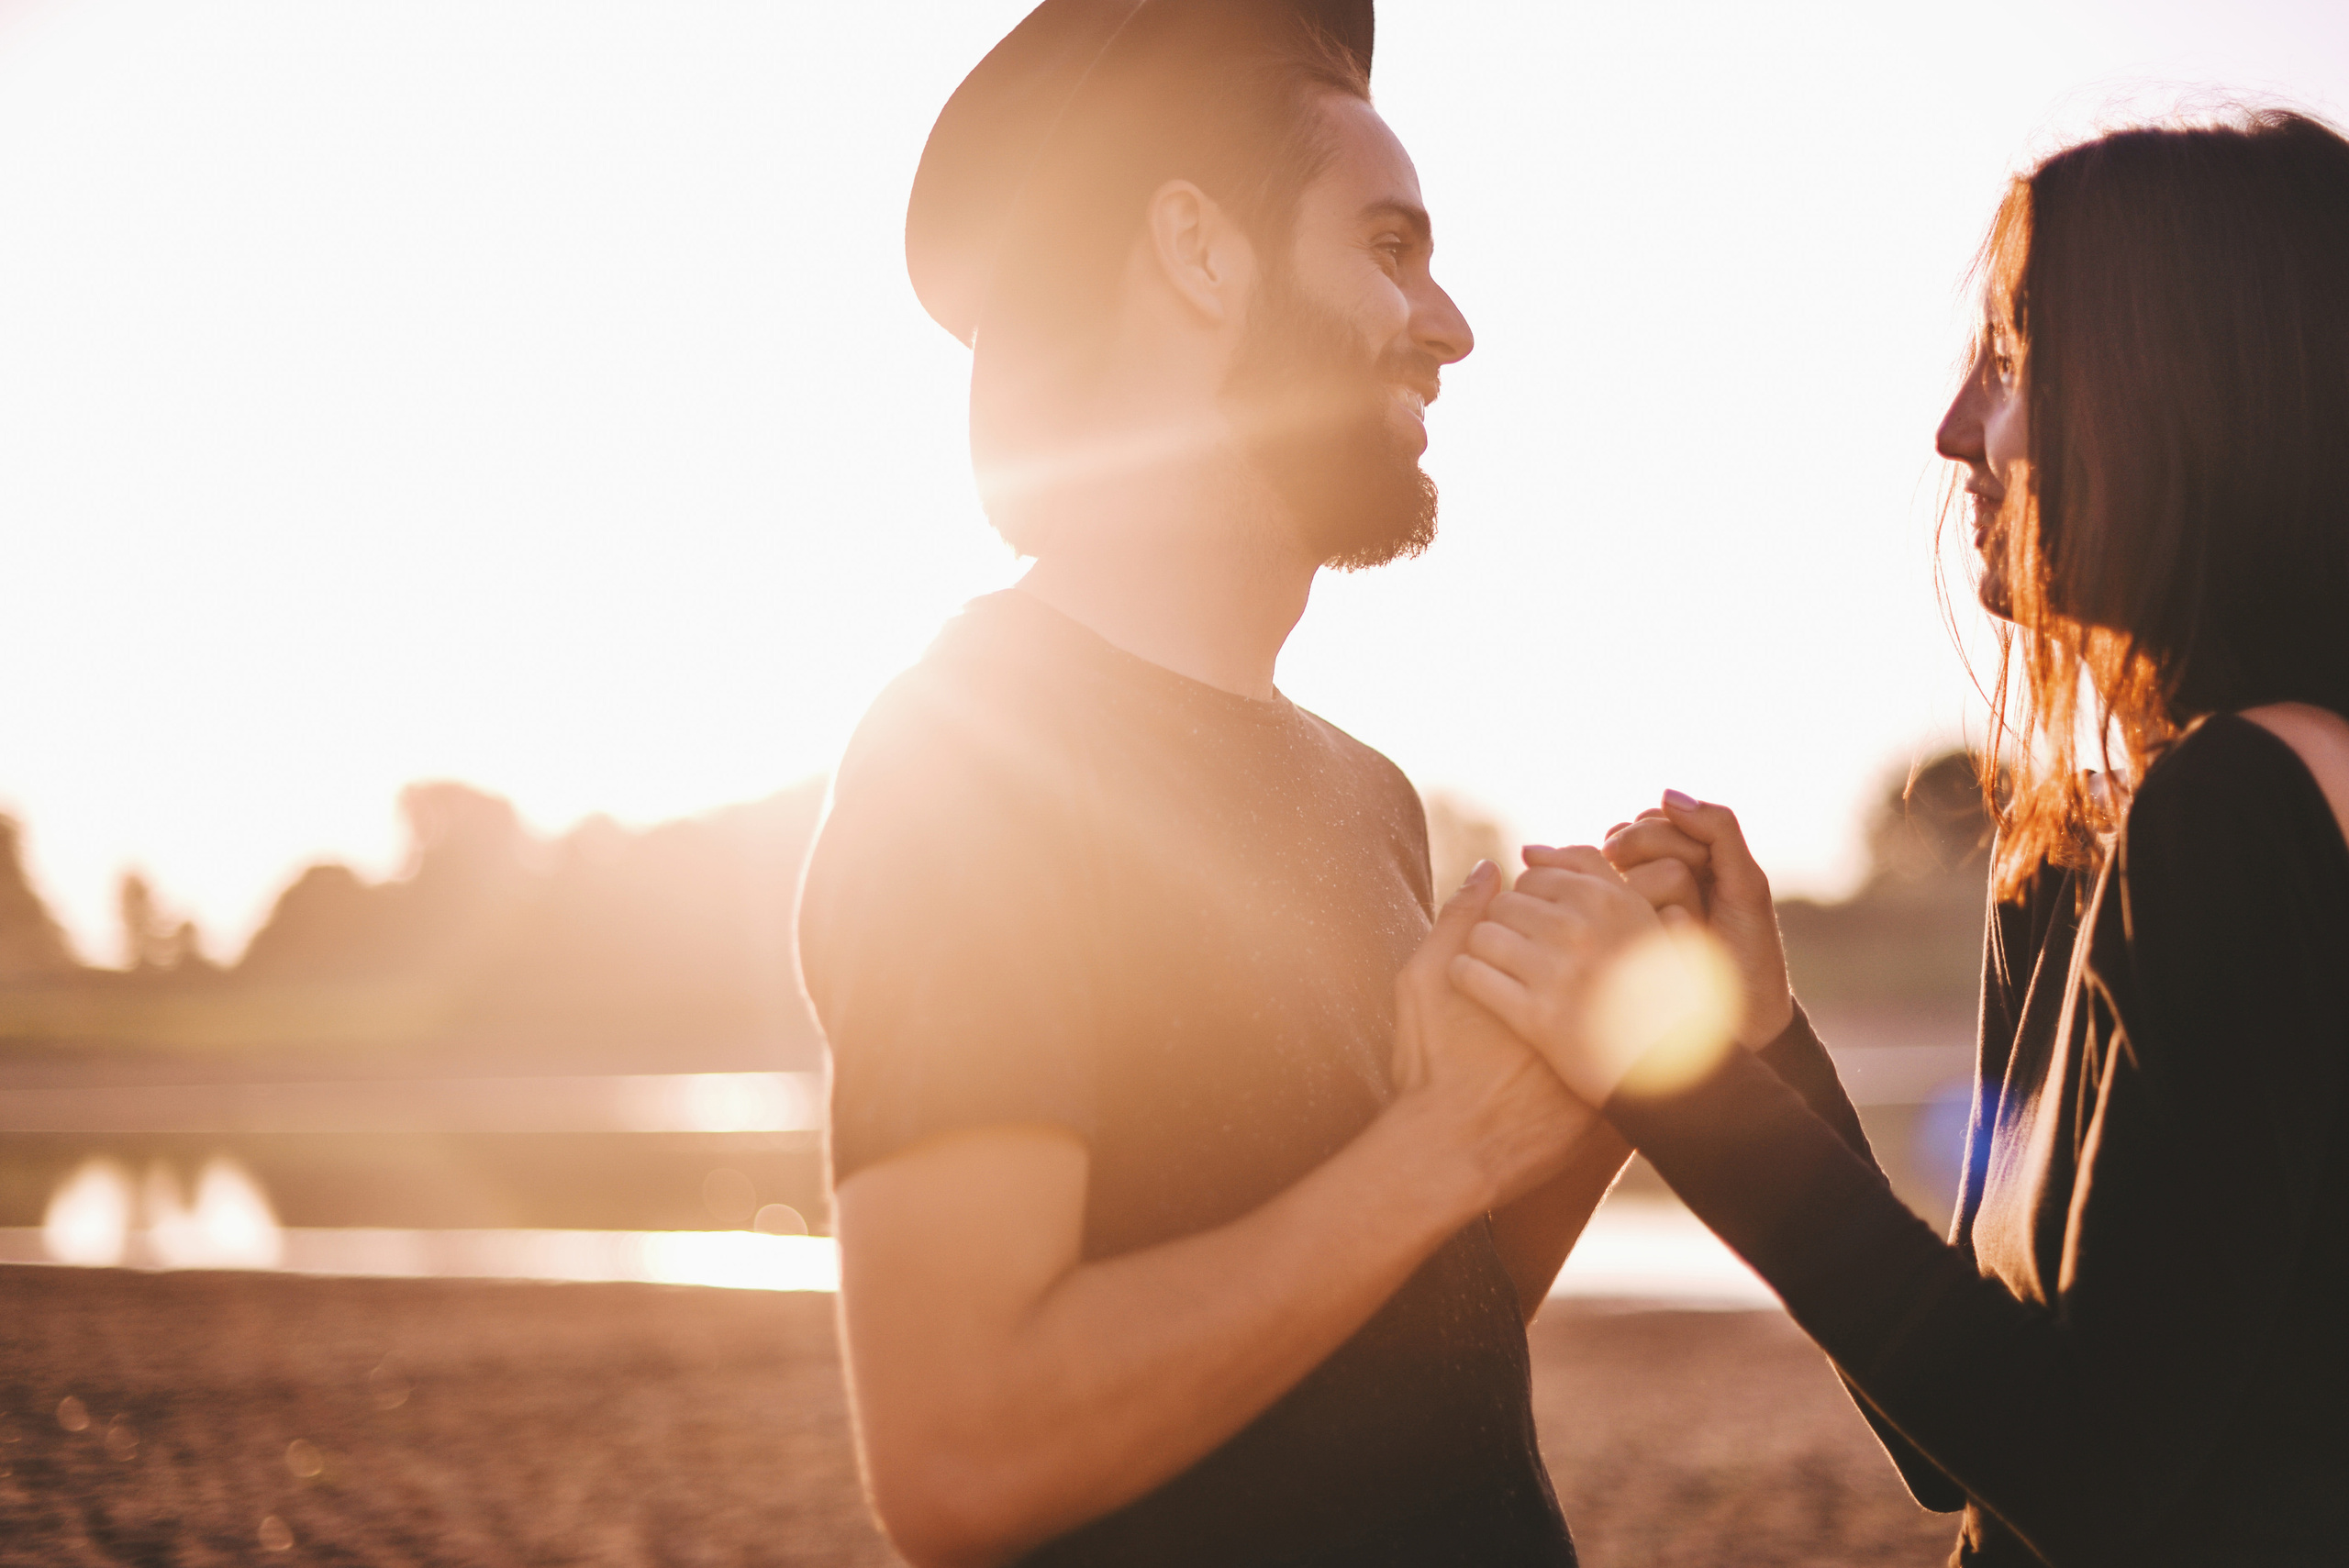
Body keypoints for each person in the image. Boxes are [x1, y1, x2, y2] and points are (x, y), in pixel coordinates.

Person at [1445, 110, 2349, 1566]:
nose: (1955, 431)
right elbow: (1964, 1447)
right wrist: (1760, 1042)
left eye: (2014, 359)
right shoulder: (2075, 862)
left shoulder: (2252, 816)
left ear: (2191, 385)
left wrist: (1650, 1071)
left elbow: (2090, 1477)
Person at [796, 4, 1628, 1564]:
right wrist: (1442, 1140)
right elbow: (962, 1453)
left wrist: (1569, 1105)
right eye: (1389, 246)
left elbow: (1389, 1343)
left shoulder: (1366, 790)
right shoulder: (969, 763)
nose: (1448, 324)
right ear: (1199, 252)